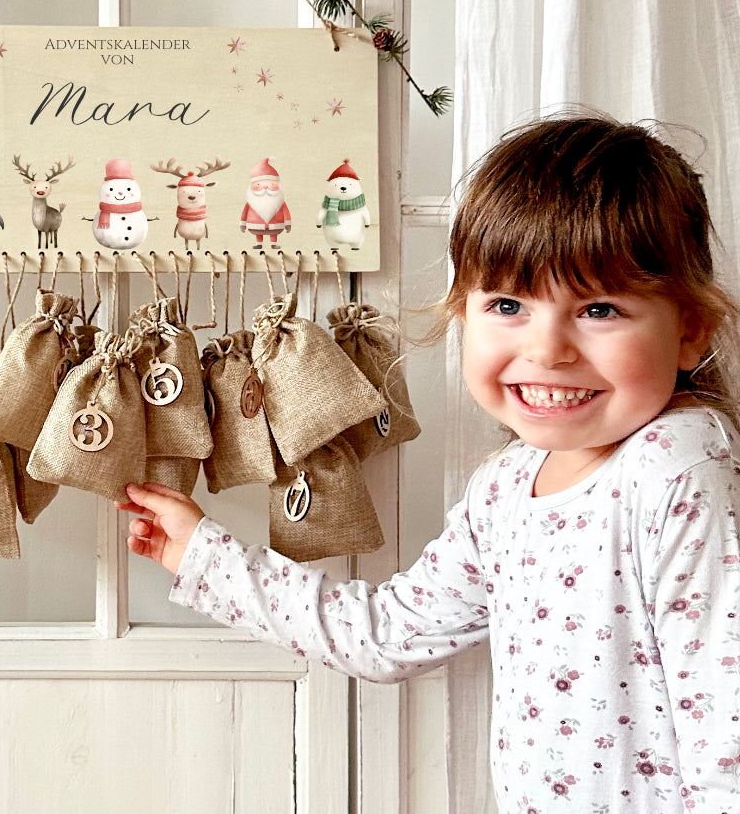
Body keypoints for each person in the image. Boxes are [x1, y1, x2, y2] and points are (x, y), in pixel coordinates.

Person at [117, 115, 740, 813]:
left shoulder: (677, 471)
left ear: (689, 330)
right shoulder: (506, 487)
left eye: (598, 309)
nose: (548, 349)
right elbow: (387, 633)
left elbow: (729, 737)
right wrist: (203, 553)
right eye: (509, 304)